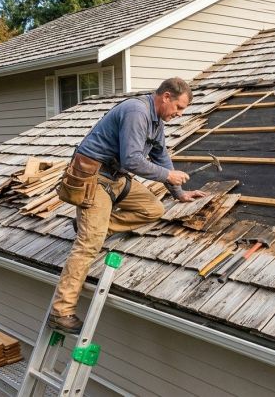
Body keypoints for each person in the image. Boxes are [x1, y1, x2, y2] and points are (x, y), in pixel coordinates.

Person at [49, 77, 207, 333]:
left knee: (153, 209)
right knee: (89, 245)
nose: (178, 114)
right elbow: (133, 160)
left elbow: (161, 156)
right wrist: (168, 176)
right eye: (178, 108)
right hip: (94, 178)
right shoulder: (137, 112)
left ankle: (91, 225)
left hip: (116, 179)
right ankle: (61, 311)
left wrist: (179, 193)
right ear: (166, 96)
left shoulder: (156, 121)